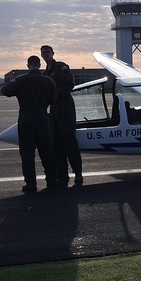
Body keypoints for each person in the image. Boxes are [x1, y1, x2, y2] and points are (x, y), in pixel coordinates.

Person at [1, 56, 57, 193]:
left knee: (27, 153)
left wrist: (14, 80)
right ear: (39, 65)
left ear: (28, 65)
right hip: (42, 116)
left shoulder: (21, 79)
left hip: (26, 117)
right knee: (47, 150)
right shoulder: (49, 80)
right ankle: (51, 180)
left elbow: (5, 90)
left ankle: (31, 184)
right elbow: (54, 99)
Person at [41, 45, 83, 186]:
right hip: (54, 108)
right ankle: (62, 175)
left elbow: (70, 84)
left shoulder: (61, 67)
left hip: (65, 106)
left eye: (47, 52)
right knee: (57, 143)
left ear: (53, 53)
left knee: (69, 140)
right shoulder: (45, 73)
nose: (45, 54)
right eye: (43, 53)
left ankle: (78, 173)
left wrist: (55, 95)